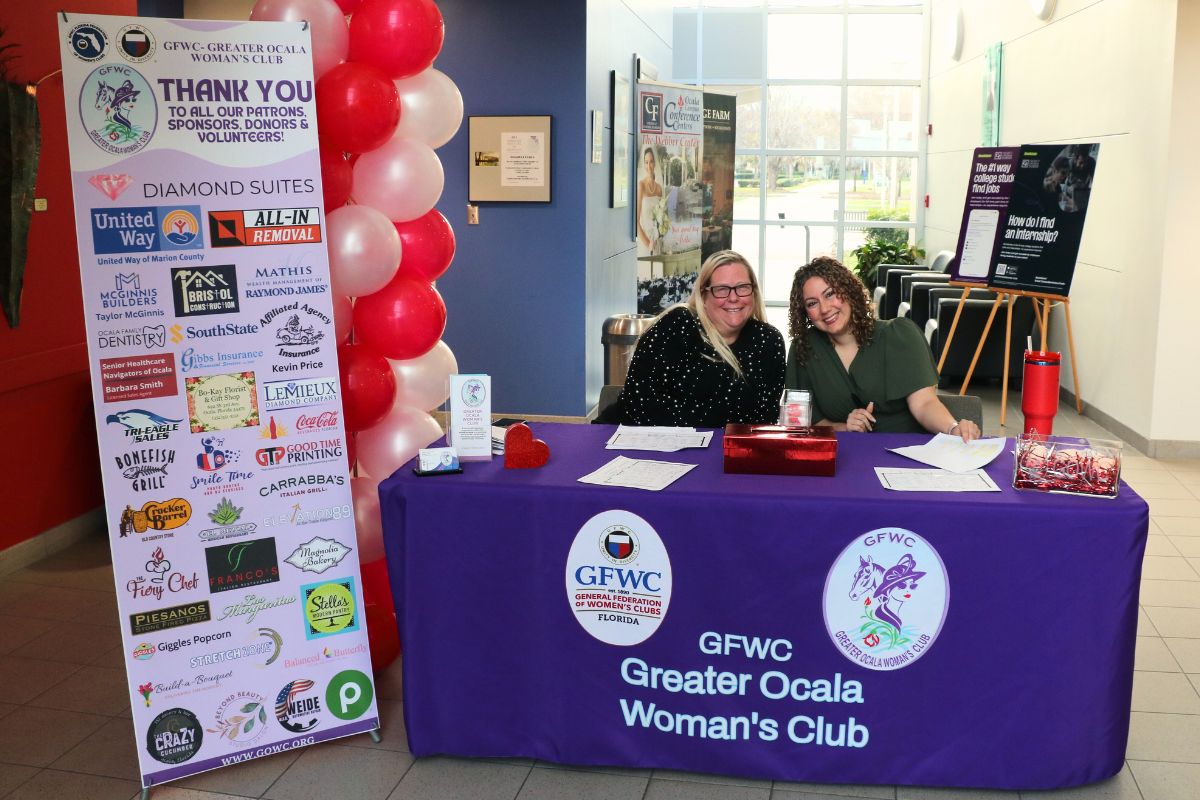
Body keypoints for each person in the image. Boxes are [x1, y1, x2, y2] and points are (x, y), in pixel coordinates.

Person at [785, 256, 982, 440]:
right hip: (842, 455)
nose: (825, 308)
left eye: (830, 294)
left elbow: (925, 404)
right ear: (805, 313)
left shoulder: (900, 335)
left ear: (848, 290)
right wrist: (844, 427)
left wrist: (953, 428)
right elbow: (804, 422)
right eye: (812, 303)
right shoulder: (804, 349)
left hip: (908, 453)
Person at [612, 250, 785, 427]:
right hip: (638, 438)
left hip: (727, 448)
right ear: (703, 296)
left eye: (742, 287)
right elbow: (640, 402)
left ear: (754, 293)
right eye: (722, 289)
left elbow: (765, 419)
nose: (733, 298)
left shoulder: (769, 341)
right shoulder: (676, 325)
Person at [636, 147, 664, 249]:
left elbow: (661, 218)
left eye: (651, 162)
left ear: (655, 164)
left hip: (657, 241)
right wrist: (648, 244)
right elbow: (636, 222)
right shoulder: (641, 186)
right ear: (643, 164)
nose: (649, 166)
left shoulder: (659, 189)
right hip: (645, 241)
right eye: (646, 162)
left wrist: (660, 233)